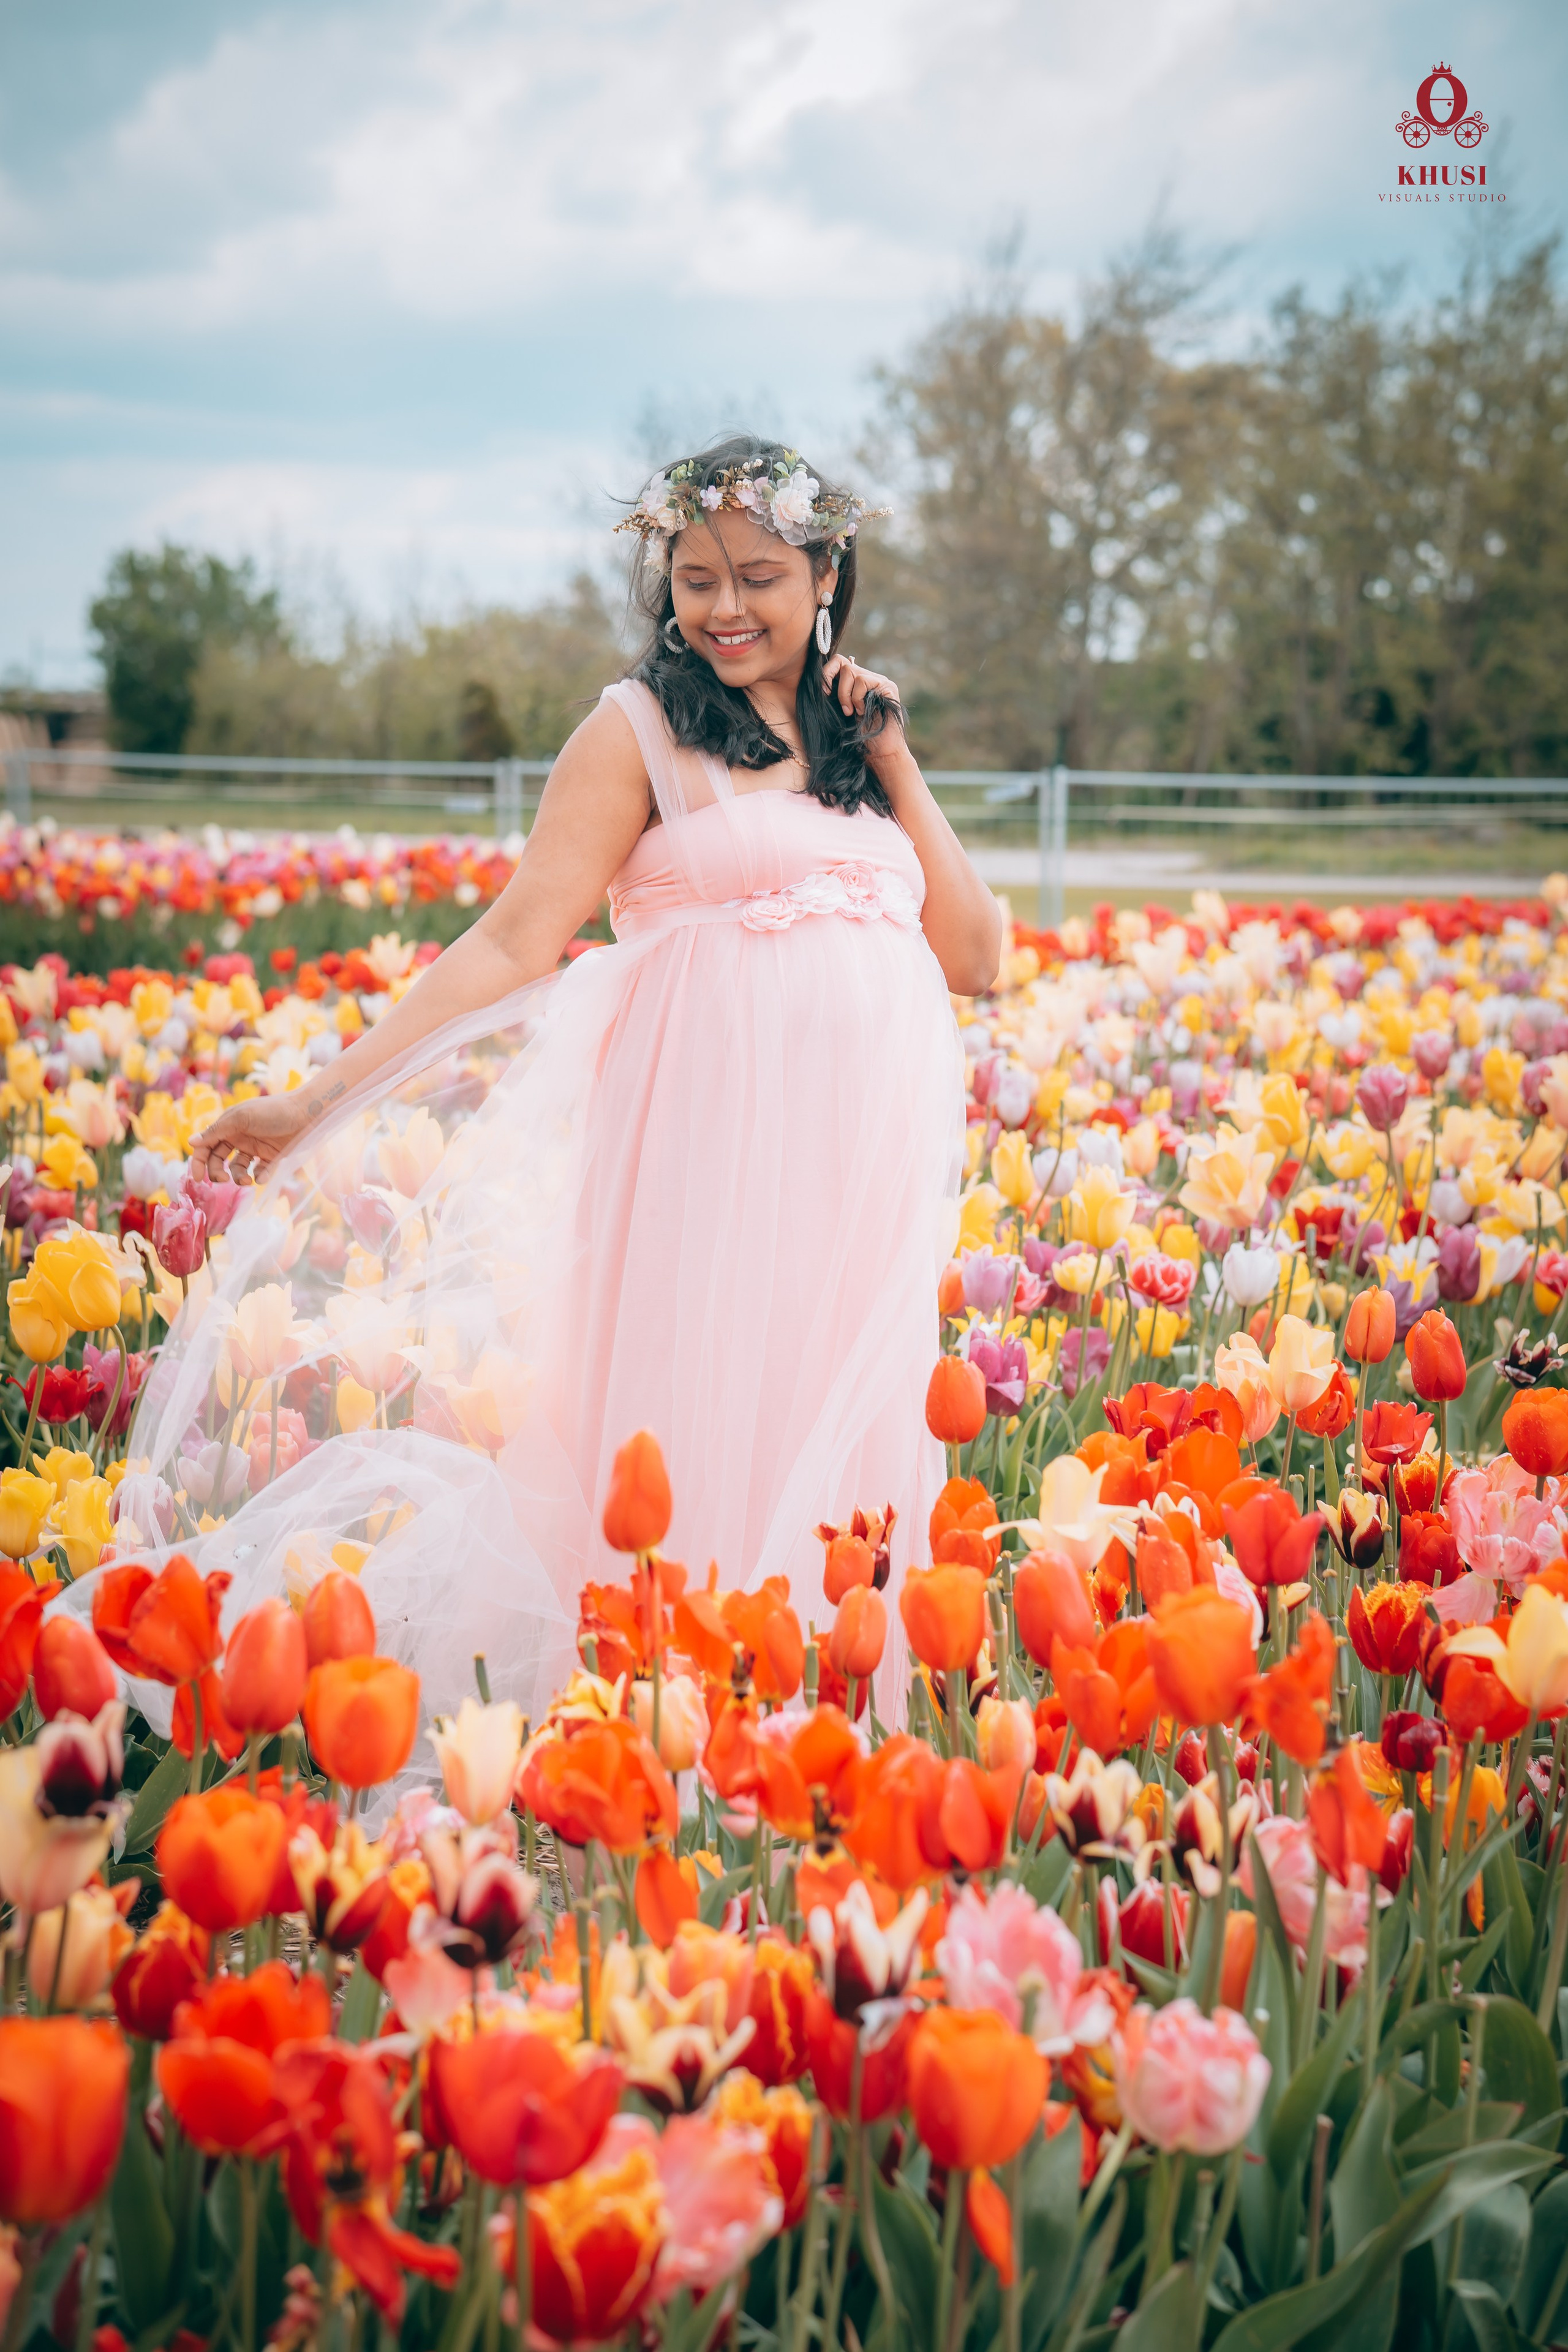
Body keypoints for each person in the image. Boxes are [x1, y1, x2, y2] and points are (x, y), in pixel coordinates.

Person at [119, 435, 1000, 1738]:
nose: (723, 608)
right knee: (695, 1424)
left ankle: (812, 1729)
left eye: (758, 575)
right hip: (705, 1161)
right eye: (693, 577)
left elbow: (974, 955)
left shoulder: (855, 743)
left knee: (832, 1431)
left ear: (827, 576)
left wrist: (894, 756)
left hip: (847, 1184)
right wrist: (323, 1095)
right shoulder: (632, 729)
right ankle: (664, 1722)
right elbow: (512, 939)